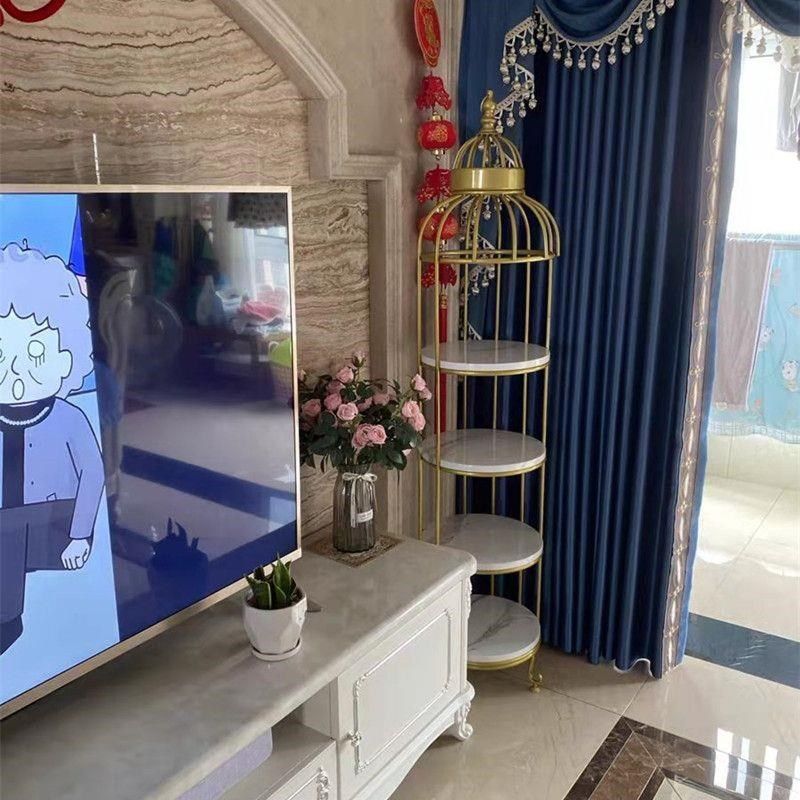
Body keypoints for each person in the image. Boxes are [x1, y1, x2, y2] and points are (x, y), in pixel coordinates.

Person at [0, 241, 105, 654]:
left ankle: (8, 622)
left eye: (35, 354)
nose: (15, 372)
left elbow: (93, 472)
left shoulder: (69, 418)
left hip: (53, 523)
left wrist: (80, 535)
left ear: (67, 358)